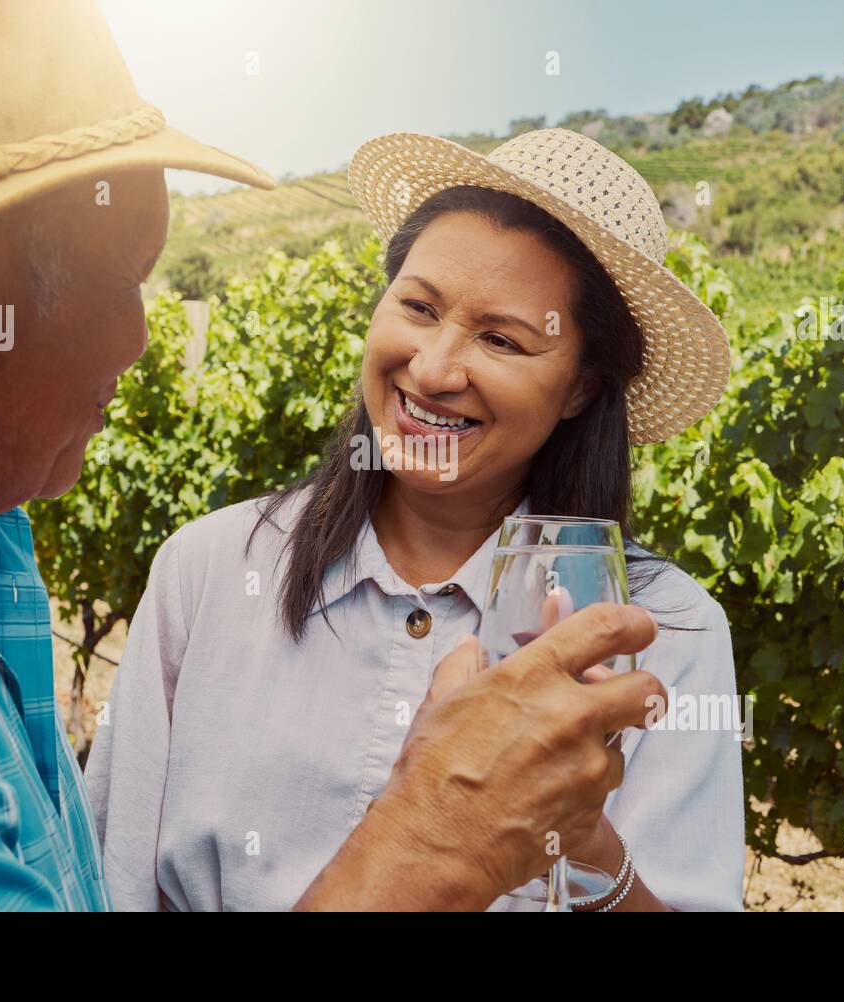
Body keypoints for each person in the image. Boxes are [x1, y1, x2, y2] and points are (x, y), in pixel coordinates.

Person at [0, 0, 663, 912]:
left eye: (505, 339)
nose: (145, 339)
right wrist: (441, 837)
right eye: (131, 274)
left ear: (584, 386)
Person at [84, 130, 745, 911]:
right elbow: (108, 887)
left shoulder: (664, 633)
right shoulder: (208, 571)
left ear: (581, 388)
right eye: (419, 307)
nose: (432, 370)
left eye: (502, 339)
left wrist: (589, 848)